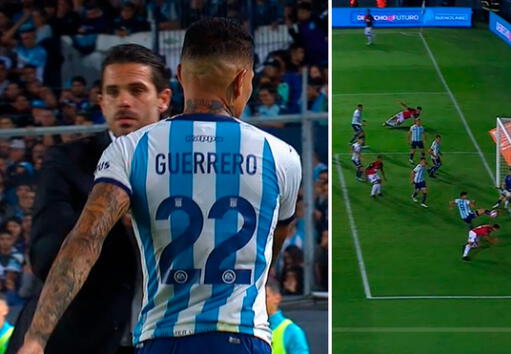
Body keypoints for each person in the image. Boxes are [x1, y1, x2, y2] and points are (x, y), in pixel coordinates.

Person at [18, 18, 301, 354]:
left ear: (180, 76)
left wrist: (35, 339)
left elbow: (84, 239)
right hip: (241, 338)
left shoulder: (131, 149)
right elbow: (274, 242)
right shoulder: (282, 156)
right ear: (242, 81)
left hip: (161, 340)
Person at [9, 44, 172, 354]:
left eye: (137, 90)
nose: (124, 101)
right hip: (76, 339)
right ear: (101, 101)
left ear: (163, 99)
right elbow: (45, 256)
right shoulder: (67, 162)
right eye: (112, 92)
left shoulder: (184, 167)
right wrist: (111, 219)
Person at [266, 280, 309, 354]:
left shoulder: (292, 331)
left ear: (277, 298)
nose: (261, 301)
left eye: (266, 296)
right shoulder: (252, 329)